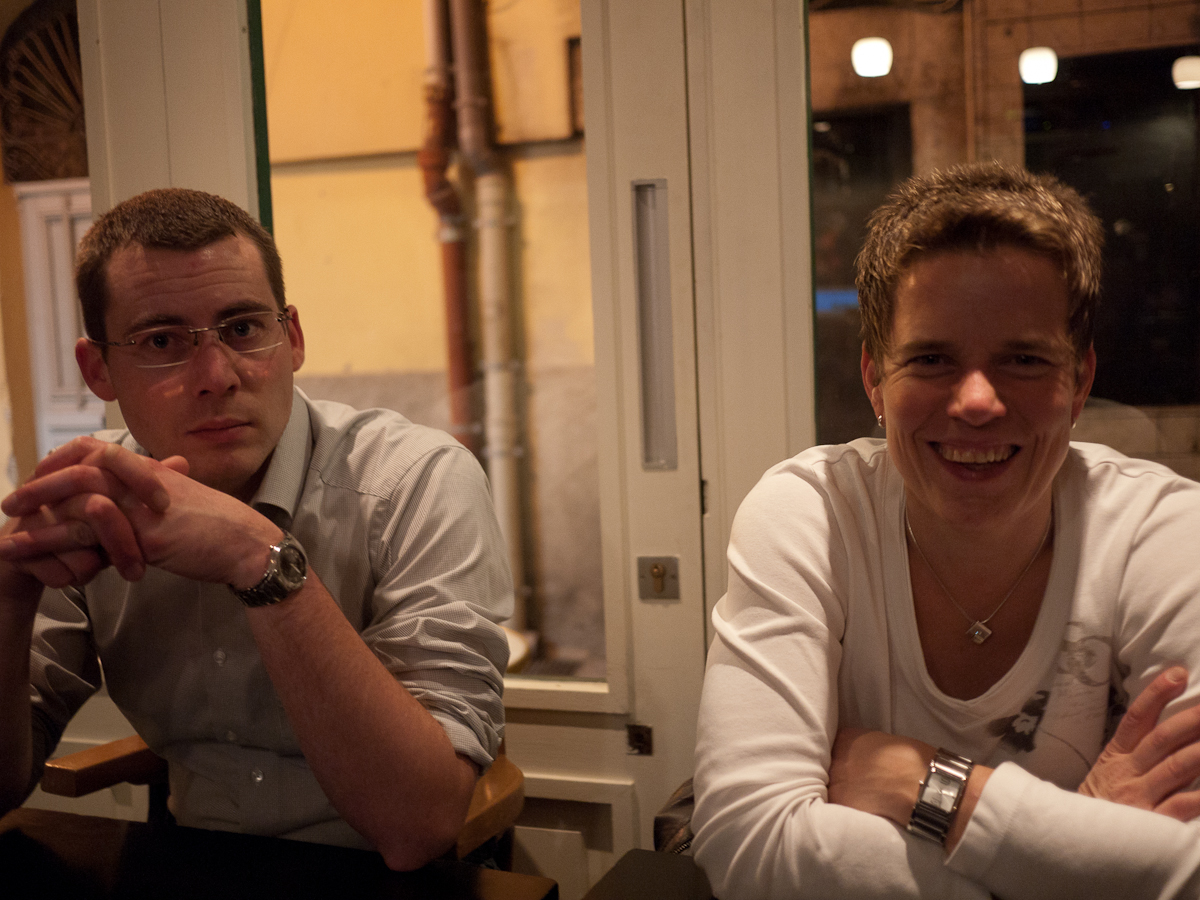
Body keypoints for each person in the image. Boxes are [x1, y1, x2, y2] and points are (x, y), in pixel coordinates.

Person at [691, 162, 1200, 898]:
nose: (977, 401)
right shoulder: (810, 514)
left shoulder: (1165, 529)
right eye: (932, 359)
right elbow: (749, 845)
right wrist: (1075, 842)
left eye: (1023, 359)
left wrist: (928, 784)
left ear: (1079, 382)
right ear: (875, 380)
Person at [0, 188, 512, 871]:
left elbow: (418, 827)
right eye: (161, 341)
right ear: (98, 370)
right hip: (189, 861)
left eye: (242, 328)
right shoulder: (92, 501)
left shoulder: (413, 480)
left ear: (291, 338)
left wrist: (259, 558)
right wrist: (7, 600)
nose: (216, 377)